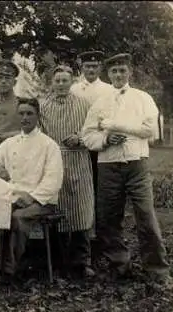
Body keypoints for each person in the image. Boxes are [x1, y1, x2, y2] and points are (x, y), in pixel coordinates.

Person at [81, 53, 169, 283]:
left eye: (122, 70)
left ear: (130, 72)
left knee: (146, 216)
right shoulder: (100, 102)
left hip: (136, 163)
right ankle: (119, 265)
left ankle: (157, 269)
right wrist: (105, 140)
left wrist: (115, 125)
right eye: (114, 71)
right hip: (108, 165)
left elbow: (149, 130)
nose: (118, 75)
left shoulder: (143, 98)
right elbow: (87, 135)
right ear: (108, 74)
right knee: (108, 218)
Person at [0, 97, 63, 281]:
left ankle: (9, 270)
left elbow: (53, 179)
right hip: (11, 197)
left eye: (29, 113)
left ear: (38, 116)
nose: (25, 118)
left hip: (41, 201)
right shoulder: (10, 143)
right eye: (21, 113)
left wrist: (32, 197)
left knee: (17, 218)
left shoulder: (49, 145)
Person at [40, 65, 96, 278]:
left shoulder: (84, 105)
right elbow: (42, 137)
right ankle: (59, 262)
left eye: (65, 80)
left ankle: (82, 261)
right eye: (57, 81)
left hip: (79, 159)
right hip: (54, 161)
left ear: (72, 82)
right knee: (58, 209)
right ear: (52, 83)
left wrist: (80, 139)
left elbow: (93, 132)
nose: (61, 84)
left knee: (81, 209)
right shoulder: (44, 107)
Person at [70, 50, 114, 239]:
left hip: (98, 143)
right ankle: (80, 227)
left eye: (94, 66)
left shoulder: (108, 89)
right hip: (78, 144)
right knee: (79, 186)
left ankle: (98, 231)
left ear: (100, 68)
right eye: (87, 66)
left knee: (98, 186)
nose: (90, 70)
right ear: (82, 67)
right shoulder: (74, 89)